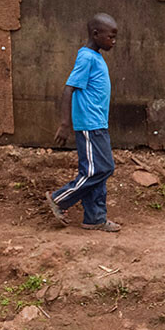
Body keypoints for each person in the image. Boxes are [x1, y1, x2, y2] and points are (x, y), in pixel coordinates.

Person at [45, 13, 122, 232]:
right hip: (89, 125)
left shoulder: (96, 56)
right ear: (96, 34)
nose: (113, 41)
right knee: (98, 169)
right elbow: (69, 88)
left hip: (98, 123)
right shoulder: (86, 57)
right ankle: (59, 198)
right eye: (111, 36)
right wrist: (64, 123)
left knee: (100, 170)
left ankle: (95, 218)